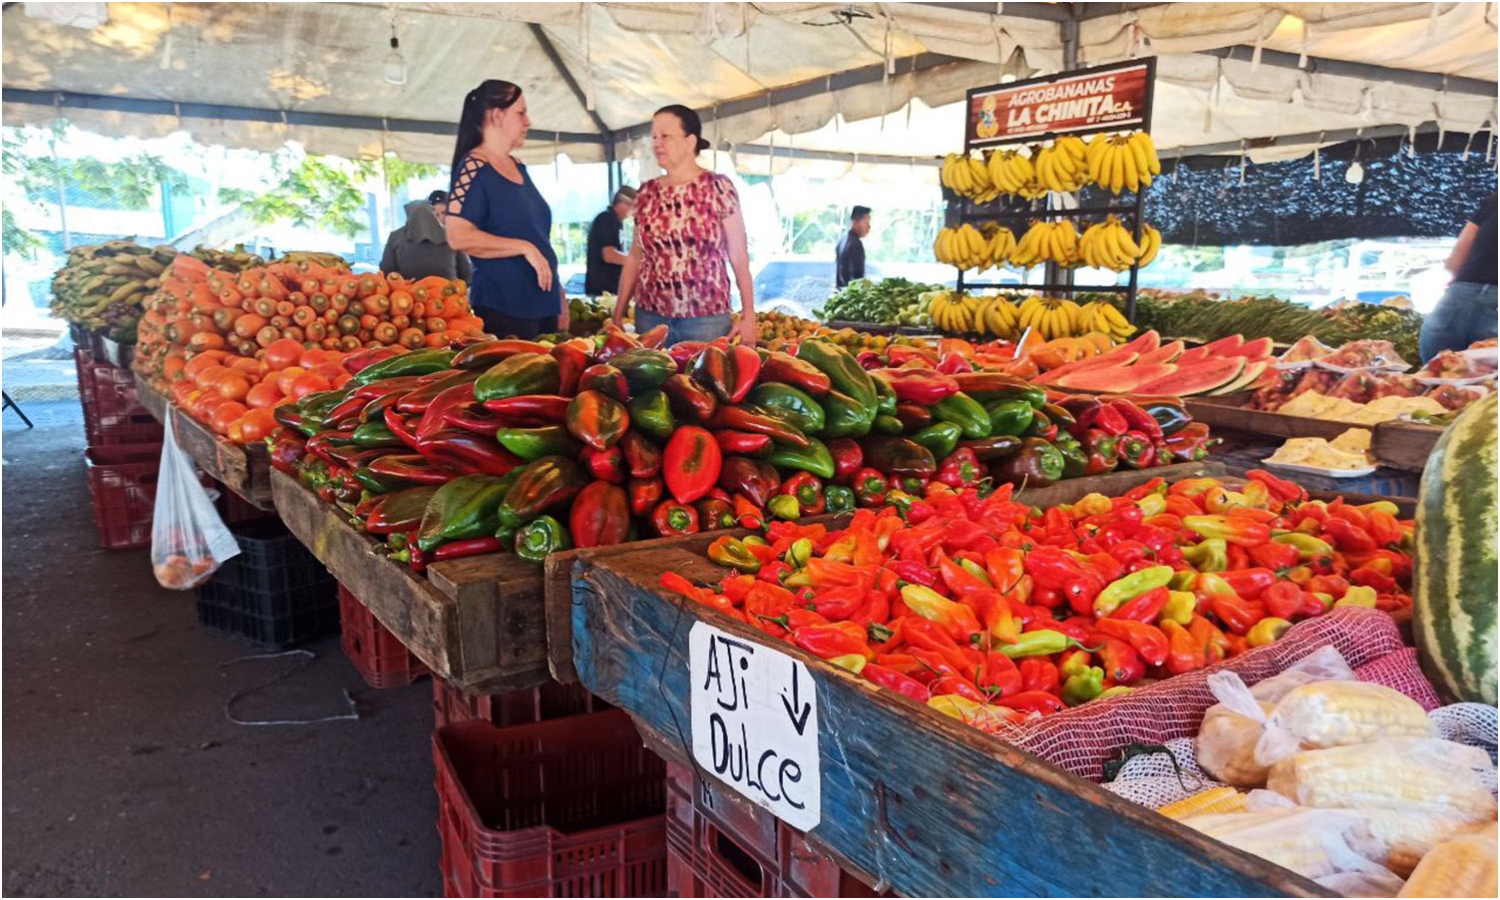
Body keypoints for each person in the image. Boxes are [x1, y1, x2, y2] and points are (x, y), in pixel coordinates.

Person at [612, 105, 756, 346]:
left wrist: (749, 314)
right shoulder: (646, 192)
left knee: (703, 383)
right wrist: (619, 312)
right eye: (654, 137)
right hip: (650, 317)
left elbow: (739, 255)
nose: (657, 143)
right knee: (652, 383)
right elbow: (635, 258)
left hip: (706, 320)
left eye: (665, 136)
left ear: (690, 142)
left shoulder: (718, 187)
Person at [442, 80, 567, 339]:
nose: (528, 121)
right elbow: (458, 235)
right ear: (497, 115)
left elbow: (536, 236)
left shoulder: (518, 166)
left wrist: (559, 293)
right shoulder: (474, 167)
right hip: (506, 311)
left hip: (542, 307)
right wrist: (524, 248)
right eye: (521, 113)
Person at [1420, 192, 1498, 361]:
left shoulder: (1494, 200)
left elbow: (1453, 263)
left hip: (1458, 301)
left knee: (1436, 380)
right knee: (1488, 386)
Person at [379, 192, 472, 282]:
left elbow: (386, 272)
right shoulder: (452, 236)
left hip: (408, 295)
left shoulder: (396, 237)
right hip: (449, 294)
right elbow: (466, 273)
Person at [585, 186, 637, 296]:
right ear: (623, 202)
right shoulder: (606, 219)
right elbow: (609, 255)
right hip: (602, 290)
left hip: (610, 288)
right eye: (633, 206)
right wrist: (635, 263)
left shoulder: (617, 223)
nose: (634, 212)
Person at [835, 205, 871, 288]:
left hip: (841, 292)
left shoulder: (842, 240)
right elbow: (857, 280)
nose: (869, 227)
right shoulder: (855, 244)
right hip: (850, 294)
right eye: (866, 223)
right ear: (855, 222)